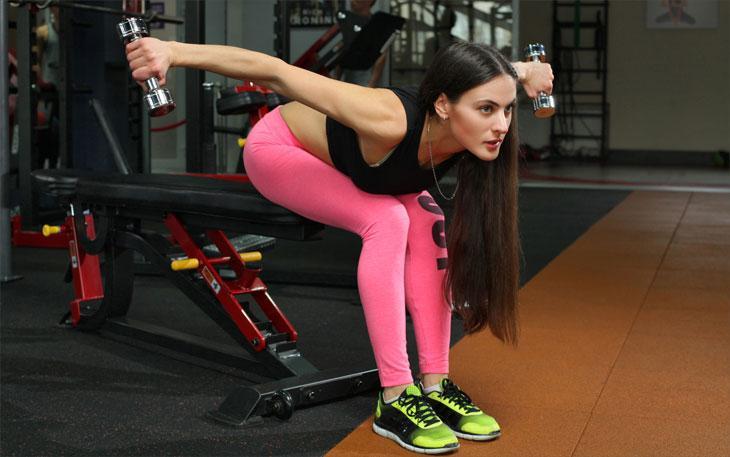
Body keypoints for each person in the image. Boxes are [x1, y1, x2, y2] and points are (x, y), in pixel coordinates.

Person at [125, 36, 552, 454]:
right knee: (387, 219)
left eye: (507, 109)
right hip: (279, 149)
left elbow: (499, 77)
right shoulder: (388, 117)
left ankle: (435, 384)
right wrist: (173, 51)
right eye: (486, 110)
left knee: (428, 220)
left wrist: (527, 72)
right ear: (443, 105)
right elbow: (274, 72)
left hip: (347, 161)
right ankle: (396, 394)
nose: (501, 125)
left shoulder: (476, 108)